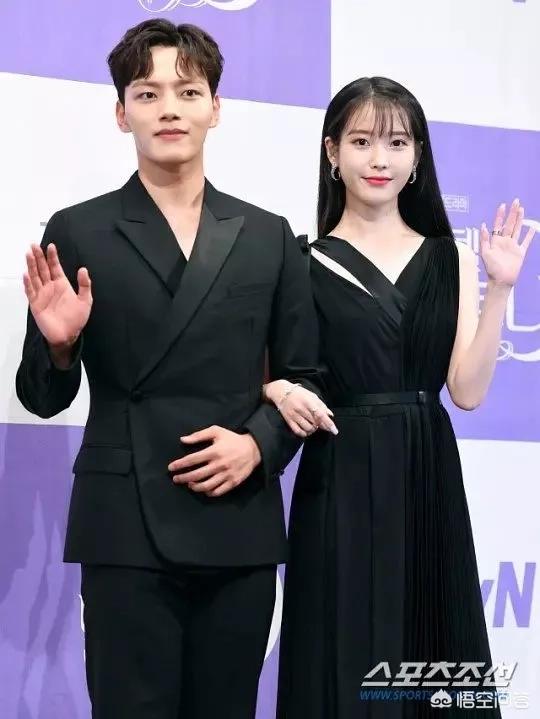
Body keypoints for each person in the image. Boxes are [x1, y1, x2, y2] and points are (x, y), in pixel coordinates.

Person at [15, 19, 333, 719]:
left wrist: (257, 445)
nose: (168, 108)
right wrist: (60, 347)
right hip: (124, 520)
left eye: (188, 92)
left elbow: (306, 377)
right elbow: (40, 395)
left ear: (215, 108)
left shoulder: (268, 236)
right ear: (120, 112)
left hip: (237, 520)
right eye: (147, 92)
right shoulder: (78, 229)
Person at [263, 77, 535, 718]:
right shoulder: (300, 262)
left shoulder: (450, 258)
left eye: (396, 143)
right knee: (340, 647)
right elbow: (270, 373)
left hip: (425, 471)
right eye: (361, 142)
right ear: (332, 152)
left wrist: (500, 288)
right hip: (339, 471)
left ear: (417, 157)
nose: (379, 159)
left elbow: (466, 391)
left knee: (428, 641)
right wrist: (275, 387)